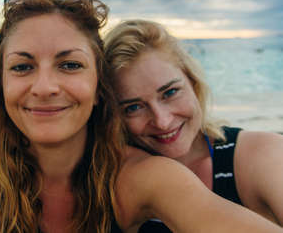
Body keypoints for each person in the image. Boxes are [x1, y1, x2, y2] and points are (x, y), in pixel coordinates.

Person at [0, 0, 282, 233]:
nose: (44, 87)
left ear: (98, 89)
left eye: (69, 65)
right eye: (22, 67)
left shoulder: (141, 175)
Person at [104, 19, 283, 232]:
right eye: (133, 107)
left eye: (170, 93)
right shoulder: (115, 180)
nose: (162, 121)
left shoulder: (261, 154)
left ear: (193, 82)